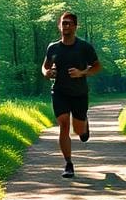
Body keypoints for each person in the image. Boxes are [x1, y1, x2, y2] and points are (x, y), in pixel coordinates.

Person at [42, 11, 102, 178]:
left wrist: (81, 73)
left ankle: (84, 125)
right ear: (59, 25)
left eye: (69, 23)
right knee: (63, 125)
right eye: (63, 23)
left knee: (79, 131)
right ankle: (68, 164)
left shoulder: (84, 47)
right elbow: (44, 67)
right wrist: (47, 73)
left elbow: (97, 66)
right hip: (59, 91)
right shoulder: (52, 47)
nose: (66, 26)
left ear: (75, 26)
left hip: (79, 93)